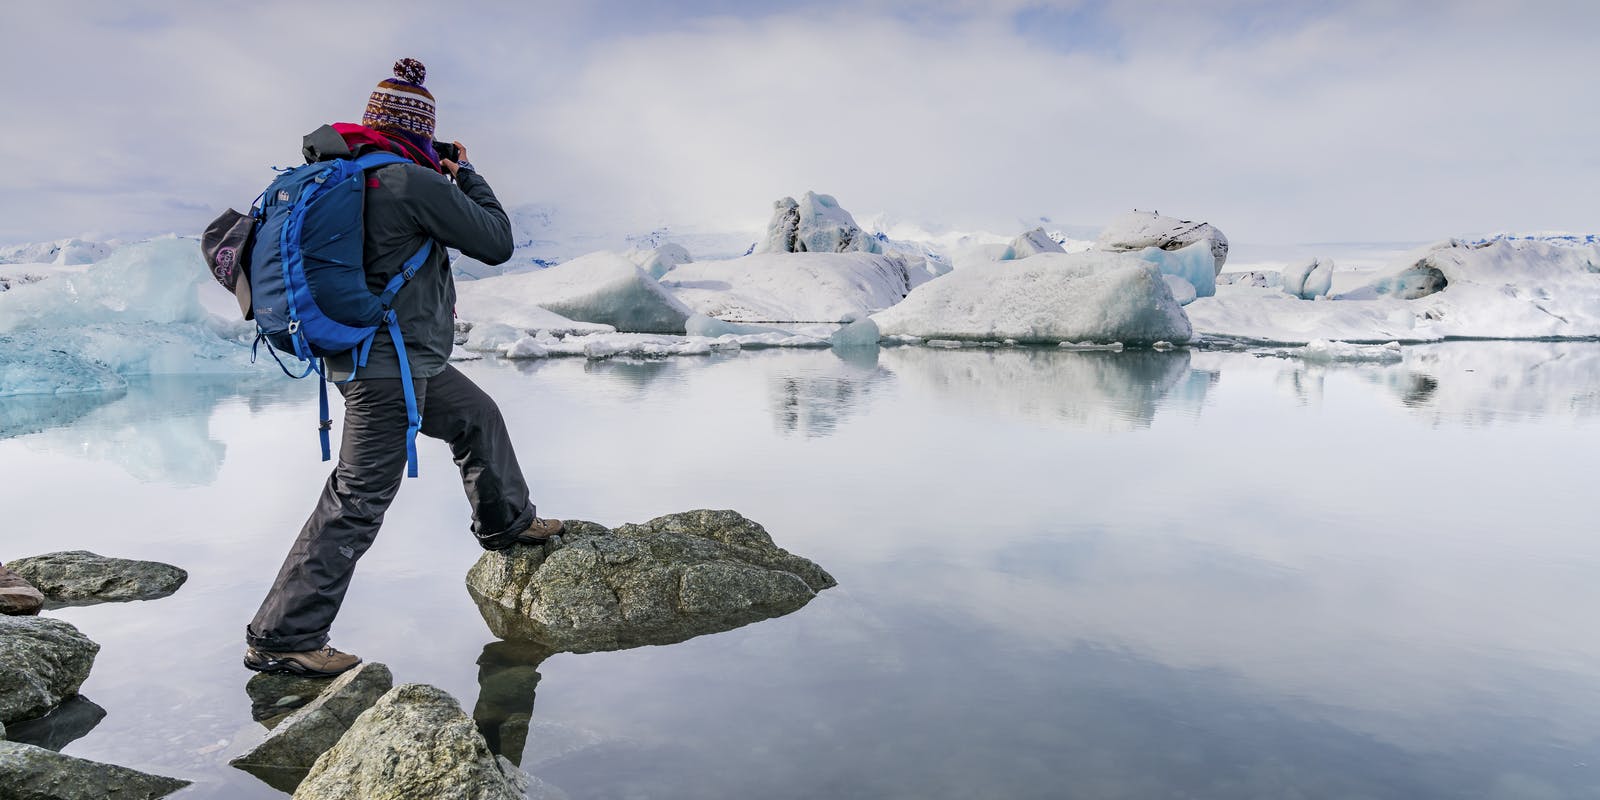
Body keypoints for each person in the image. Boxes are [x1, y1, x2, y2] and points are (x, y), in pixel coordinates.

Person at [244, 58, 562, 677]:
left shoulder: (344, 176)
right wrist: (464, 172)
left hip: (387, 357)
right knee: (358, 497)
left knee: (475, 416)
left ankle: (507, 523)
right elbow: (496, 242)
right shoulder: (410, 182)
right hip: (388, 368)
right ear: (419, 132)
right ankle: (286, 637)